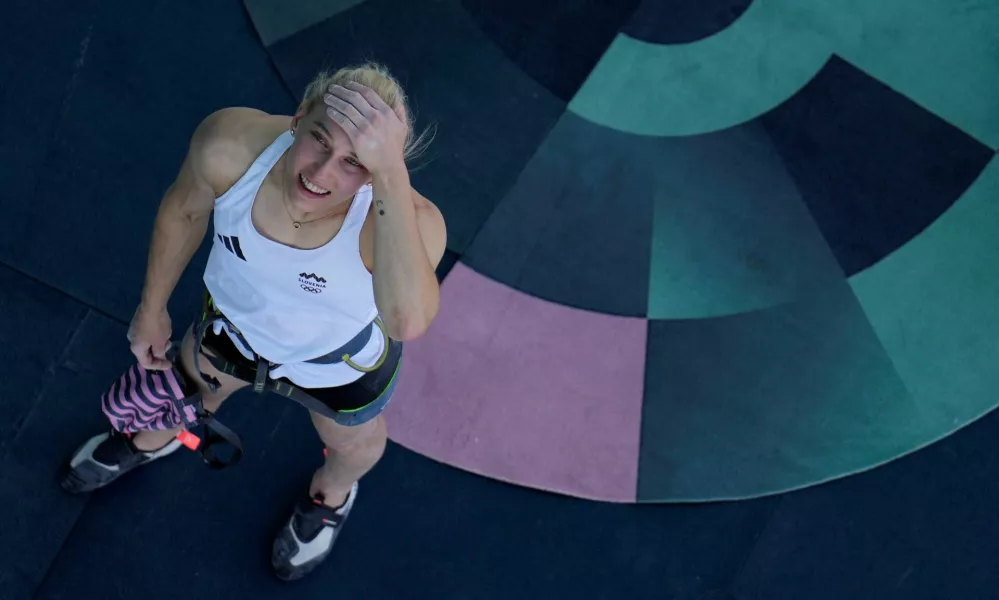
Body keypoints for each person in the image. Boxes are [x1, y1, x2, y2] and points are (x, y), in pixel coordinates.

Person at [60, 62, 447, 581]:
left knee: (352, 445)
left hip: (337, 366)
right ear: (298, 117)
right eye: (319, 141)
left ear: (379, 172)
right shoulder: (231, 145)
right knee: (193, 390)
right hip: (230, 332)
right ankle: (168, 433)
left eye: (356, 163)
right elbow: (184, 212)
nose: (323, 174)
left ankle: (331, 494)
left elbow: (406, 320)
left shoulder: (407, 221)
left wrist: (391, 176)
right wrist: (151, 309)